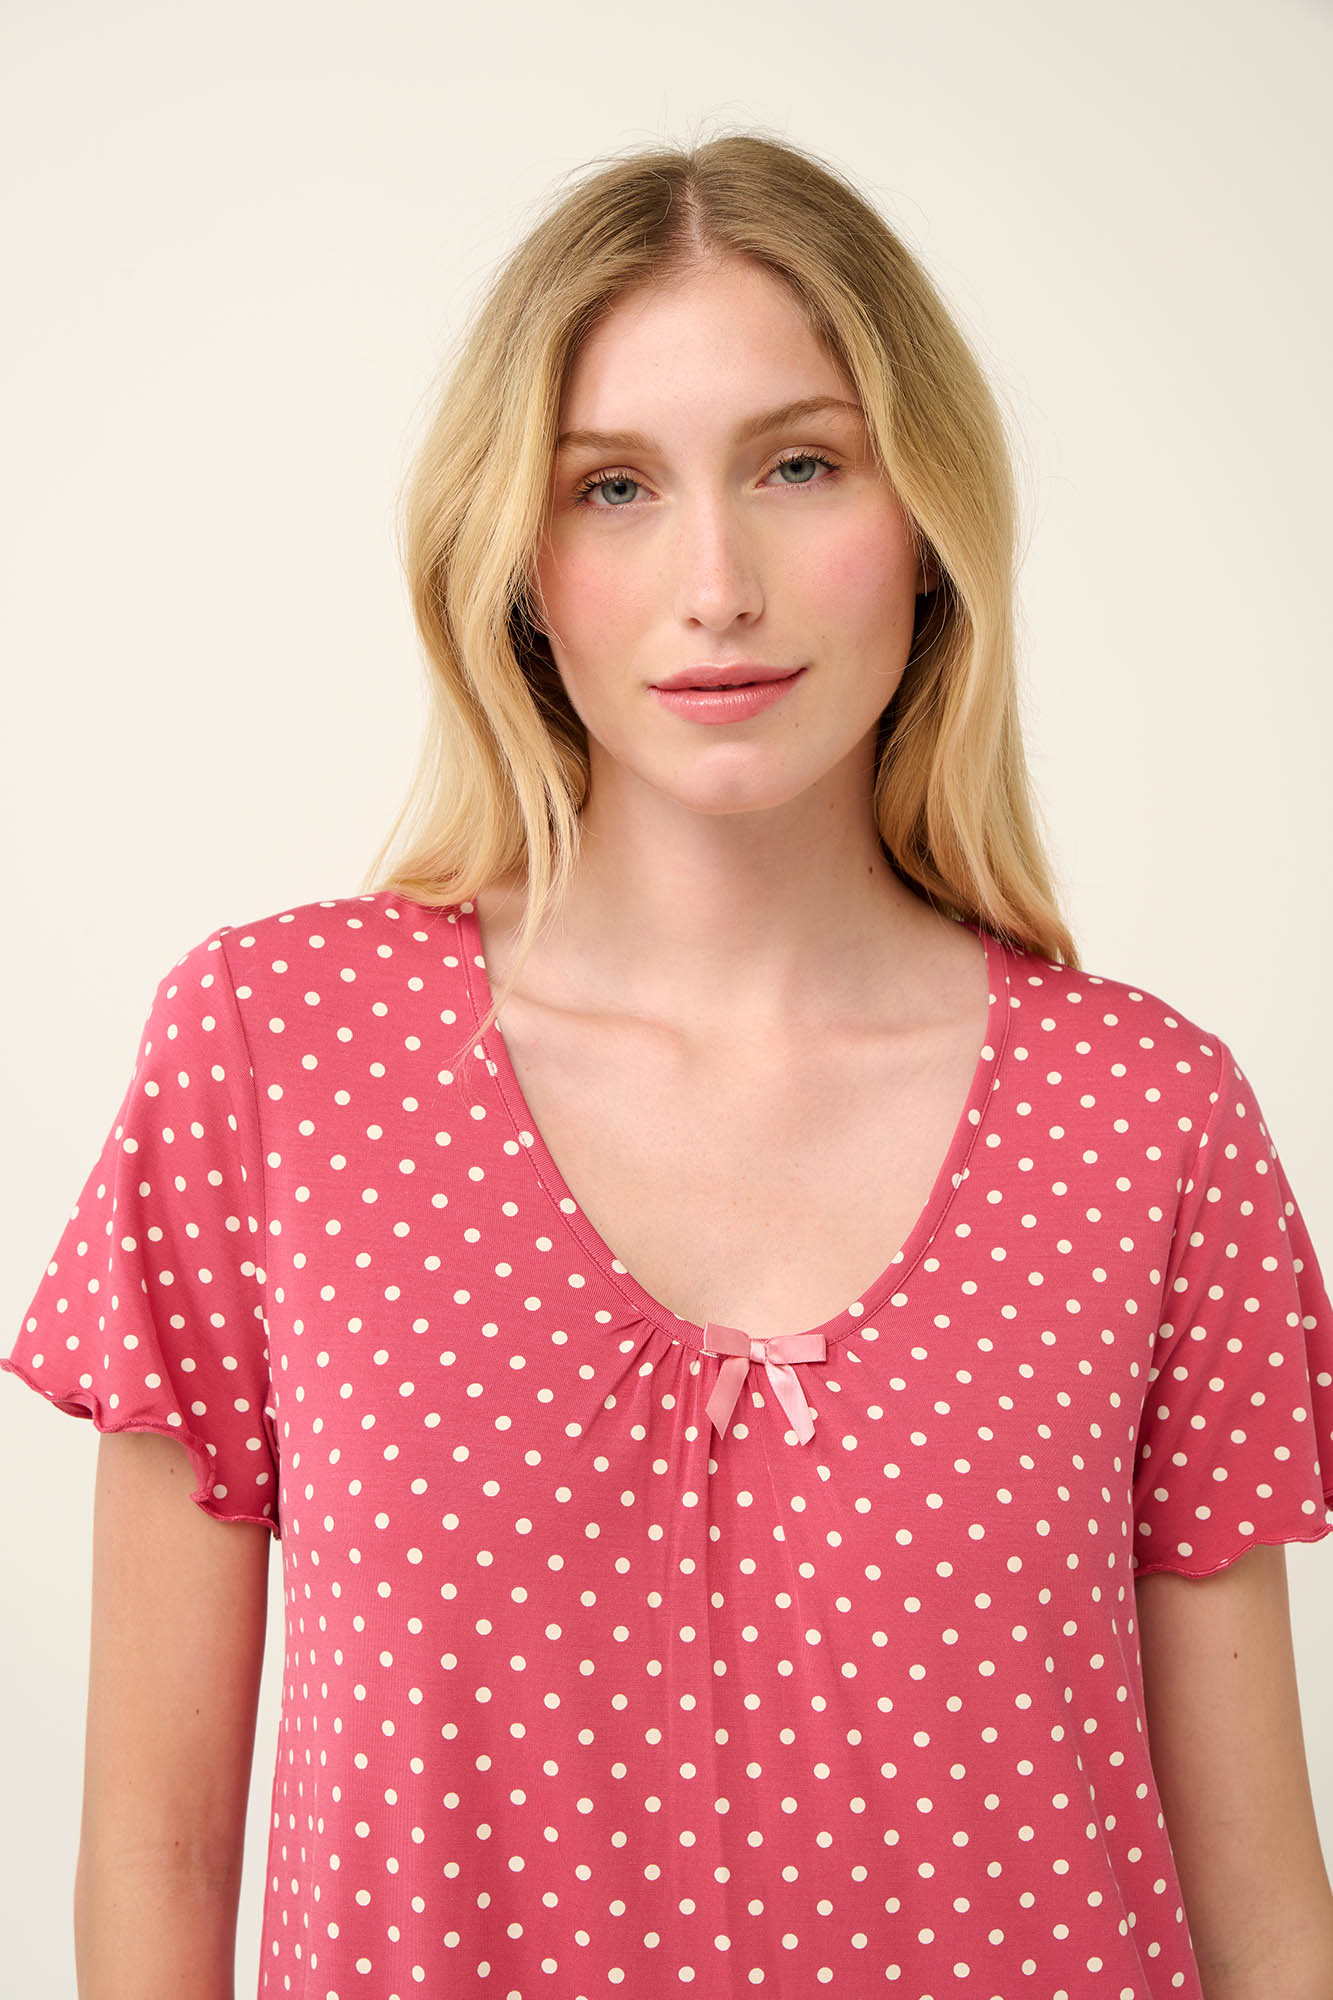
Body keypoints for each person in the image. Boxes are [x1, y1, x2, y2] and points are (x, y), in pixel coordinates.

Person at [7, 127, 1333, 1999]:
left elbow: (1260, 1898)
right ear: (518, 560)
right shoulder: (272, 1056)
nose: (718, 582)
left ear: (928, 522)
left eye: (800, 465)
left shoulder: (1146, 1120)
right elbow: (156, 1851)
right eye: (613, 486)